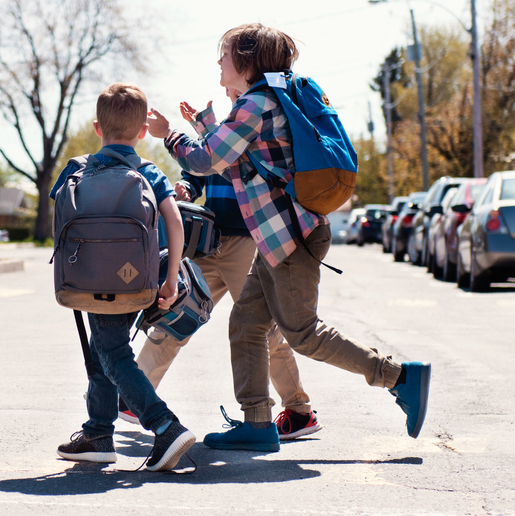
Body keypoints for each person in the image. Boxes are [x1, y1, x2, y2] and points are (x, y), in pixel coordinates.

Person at [146, 23, 431, 451]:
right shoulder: (260, 103)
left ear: (245, 61)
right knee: (246, 326)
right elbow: (232, 158)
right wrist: (205, 124)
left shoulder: (255, 105)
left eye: (223, 55)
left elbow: (208, 159)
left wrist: (170, 136)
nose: (219, 63)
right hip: (278, 238)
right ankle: (257, 424)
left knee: (303, 333)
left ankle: (400, 377)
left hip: (292, 238)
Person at [120, 163, 320, 448]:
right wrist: (188, 186)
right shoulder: (213, 133)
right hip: (210, 239)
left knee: (263, 329)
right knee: (175, 312)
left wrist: (172, 136)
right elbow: (199, 169)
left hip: (249, 241)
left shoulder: (246, 125)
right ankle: (134, 395)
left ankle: (299, 410)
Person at [52, 83, 195, 472]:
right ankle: (98, 432)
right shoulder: (149, 172)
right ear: (143, 132)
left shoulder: (76, 169)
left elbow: (62, 212)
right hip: (139, 278)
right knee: (107, 347)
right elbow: (175, 221)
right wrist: (172, 278)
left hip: (87, 278)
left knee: (111, 351)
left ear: (98, 128)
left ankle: (164, 425)